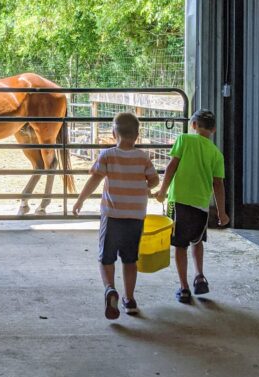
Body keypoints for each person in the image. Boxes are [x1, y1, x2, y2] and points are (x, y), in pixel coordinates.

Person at [72, 111, 159, 320]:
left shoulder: (107, 155)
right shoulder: (143, 157)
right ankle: (129, 300)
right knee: (130, 260)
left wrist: (80, 199)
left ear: (113, 133)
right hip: (135, 217)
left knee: (106, 259)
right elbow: (155, 181)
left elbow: (94, 179)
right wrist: (146, 187)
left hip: (112, 216)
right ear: (137, 135)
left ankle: (110, 289)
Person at [154, 108, 230, 304]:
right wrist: (222, 212)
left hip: (179, 201)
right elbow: (218, 184)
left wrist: (162, 191)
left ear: (194, 125)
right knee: (197, 241)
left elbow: (172, 166)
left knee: (180, 245)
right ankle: (200, 275)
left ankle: (184, 287)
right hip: (201, 205)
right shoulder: (216, 153)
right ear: (213, 129)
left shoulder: (184, 140)